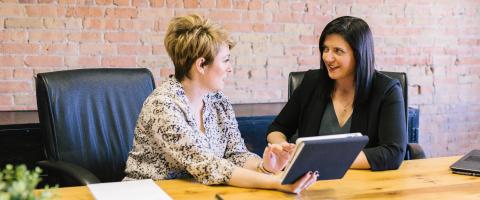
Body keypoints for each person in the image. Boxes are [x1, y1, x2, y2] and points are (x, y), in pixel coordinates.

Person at [123, 14, 318, 193]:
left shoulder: (218, 101)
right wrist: (277, 182)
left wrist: (265, 167)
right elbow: (208, 165)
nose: (230, 69)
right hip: (148, 193)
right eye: (225, 60)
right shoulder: (163, 106)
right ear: (201, 65)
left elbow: (236, 154)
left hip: (197, 192)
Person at [267, 16, 407, 171]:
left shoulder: (387, 90)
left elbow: (393, 153)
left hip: (364, 184)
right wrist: (282, 147)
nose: (328, 57)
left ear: (359, 55)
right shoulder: (312, 82)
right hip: (310, 182)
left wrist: (323, 159)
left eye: (338, 51)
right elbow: (277, 128)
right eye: (325, 49)